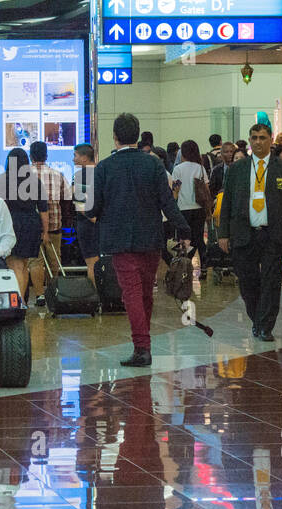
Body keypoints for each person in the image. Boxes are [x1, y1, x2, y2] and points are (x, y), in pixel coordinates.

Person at [88, 113, 189, 367]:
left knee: (131, 293)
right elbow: (167, 202)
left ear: (114, 136)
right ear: (138, 134)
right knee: (145, 293)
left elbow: (94, 207)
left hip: (119, 240)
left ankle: (142, 347)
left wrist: (90, 214)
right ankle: (143, 343)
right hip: (151, 238)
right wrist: (184, 229)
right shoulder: (153, 164)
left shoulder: (104, 167)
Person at [217, 122, 282, 343]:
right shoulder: (238, 169)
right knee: (248, 282)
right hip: (245, 233)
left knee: (271, 281)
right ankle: (257, 319)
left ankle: (266, 326)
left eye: (262, 138)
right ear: (250, 140)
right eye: (254, 138)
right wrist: (223, 234)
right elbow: (227, 204)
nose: (258, 142)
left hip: (273, 234)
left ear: (270, 140)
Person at [0, 147, 47, 303]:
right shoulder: (35, 182)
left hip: (10, 223)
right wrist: (46, 232)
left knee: (14, 265)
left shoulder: (1, 181)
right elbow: (43, 210)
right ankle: (21, 301)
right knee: (23, 265)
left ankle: (17, 303)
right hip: (31, 224)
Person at [28, 141, 69, 307]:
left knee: (35, 261)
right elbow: (67, 198)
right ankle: (54, 293)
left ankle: (39, 295)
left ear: (30, 156)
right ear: (46, 155)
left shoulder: (25, 176)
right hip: (54, 223)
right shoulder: (57, 174)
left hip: (31, 225)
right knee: (54, 260)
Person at [170, 140, 210, 269]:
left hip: (183, 209)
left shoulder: (178, 169)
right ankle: (204, 265)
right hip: (199, 208)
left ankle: (185, 265)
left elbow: (175, 191)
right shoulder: (200, 168)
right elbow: (206, 189)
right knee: (198, 239)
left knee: (185, 239)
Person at [72, 143, 99, 282]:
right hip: (105, 225)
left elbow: (81, 205)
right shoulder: (103, 171)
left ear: (84, 157)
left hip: (87, 227)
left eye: (75, 155)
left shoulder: (80, 176)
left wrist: (94, 219)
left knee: (92, 264)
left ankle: (97, 298)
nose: (73, 159)